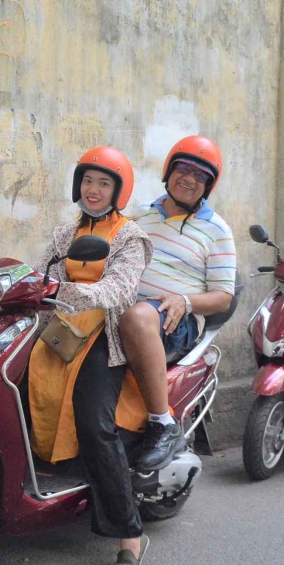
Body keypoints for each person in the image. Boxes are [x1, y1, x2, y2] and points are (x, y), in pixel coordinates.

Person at [29, 147, 153, 565]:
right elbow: (41, 272)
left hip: (106, 335)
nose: (93, 190)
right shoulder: (67, 233)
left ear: (119, 190)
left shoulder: (130, 236)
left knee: (94, 422)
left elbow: (120, 289)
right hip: (63, 332)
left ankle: (130, 534)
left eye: (104, 183)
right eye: (88, 180)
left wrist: (74, 294)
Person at [118, 135, 236, 472]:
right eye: (184, 169)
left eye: (201, 176)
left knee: (139, 316)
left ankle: (163, 424)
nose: (189, 179)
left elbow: (223, 296)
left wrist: (184, 300)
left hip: (173, 321)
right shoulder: (139, 215)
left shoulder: (217, 230)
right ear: (169, 172)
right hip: (125, 314)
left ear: (208, 186)